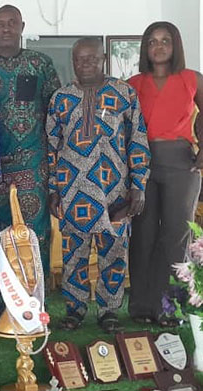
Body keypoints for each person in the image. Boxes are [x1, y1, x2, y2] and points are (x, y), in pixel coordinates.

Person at [46, 37, 149, 333]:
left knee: (114, 253)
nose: (85, 64)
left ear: (103, 58)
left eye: (91, 58)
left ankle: (109, 310)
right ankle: (75, 309)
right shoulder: (60, 98)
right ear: (73, 62)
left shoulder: (123, 93)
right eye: (80, 59)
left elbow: (138, 140)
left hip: (114, 191)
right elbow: (52, 146)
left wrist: (138, 184)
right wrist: (54, 188)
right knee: (74, 253)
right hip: (73, 191)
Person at [0, 4, 61, 274]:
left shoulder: (40, 64)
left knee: (35, 236)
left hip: (33, 165)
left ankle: (35, 304)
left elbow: (55, 114)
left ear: (22, 27)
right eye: (0, 23)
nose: (6, 28)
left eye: (12, 22)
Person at [128, 22, 203, 328]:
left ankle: (168, 306)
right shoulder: (132, 83)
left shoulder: (192, 78)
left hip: (181, 163)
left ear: (176, 45)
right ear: (145, 48)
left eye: (165, 41)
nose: (158, 47)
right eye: (152, 42)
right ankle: (141, 305)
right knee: (143, 233)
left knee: (176, 234)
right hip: (142, 162)